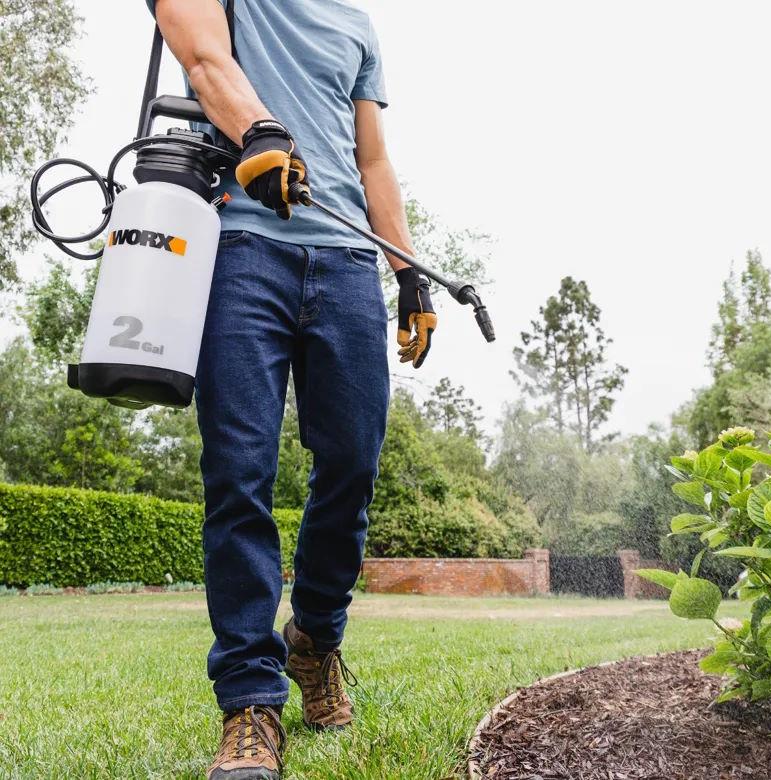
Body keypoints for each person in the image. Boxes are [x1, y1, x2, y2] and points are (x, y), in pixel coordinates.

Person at [146, 1, 437, 777]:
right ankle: (250, 701)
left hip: (347, 262)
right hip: (241, 248)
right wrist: (260, 134)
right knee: (239, 472)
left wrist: (408, 272)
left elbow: (372, 160)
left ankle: (314, 637)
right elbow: (205, 60)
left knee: (353, 465)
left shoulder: (356, 24)